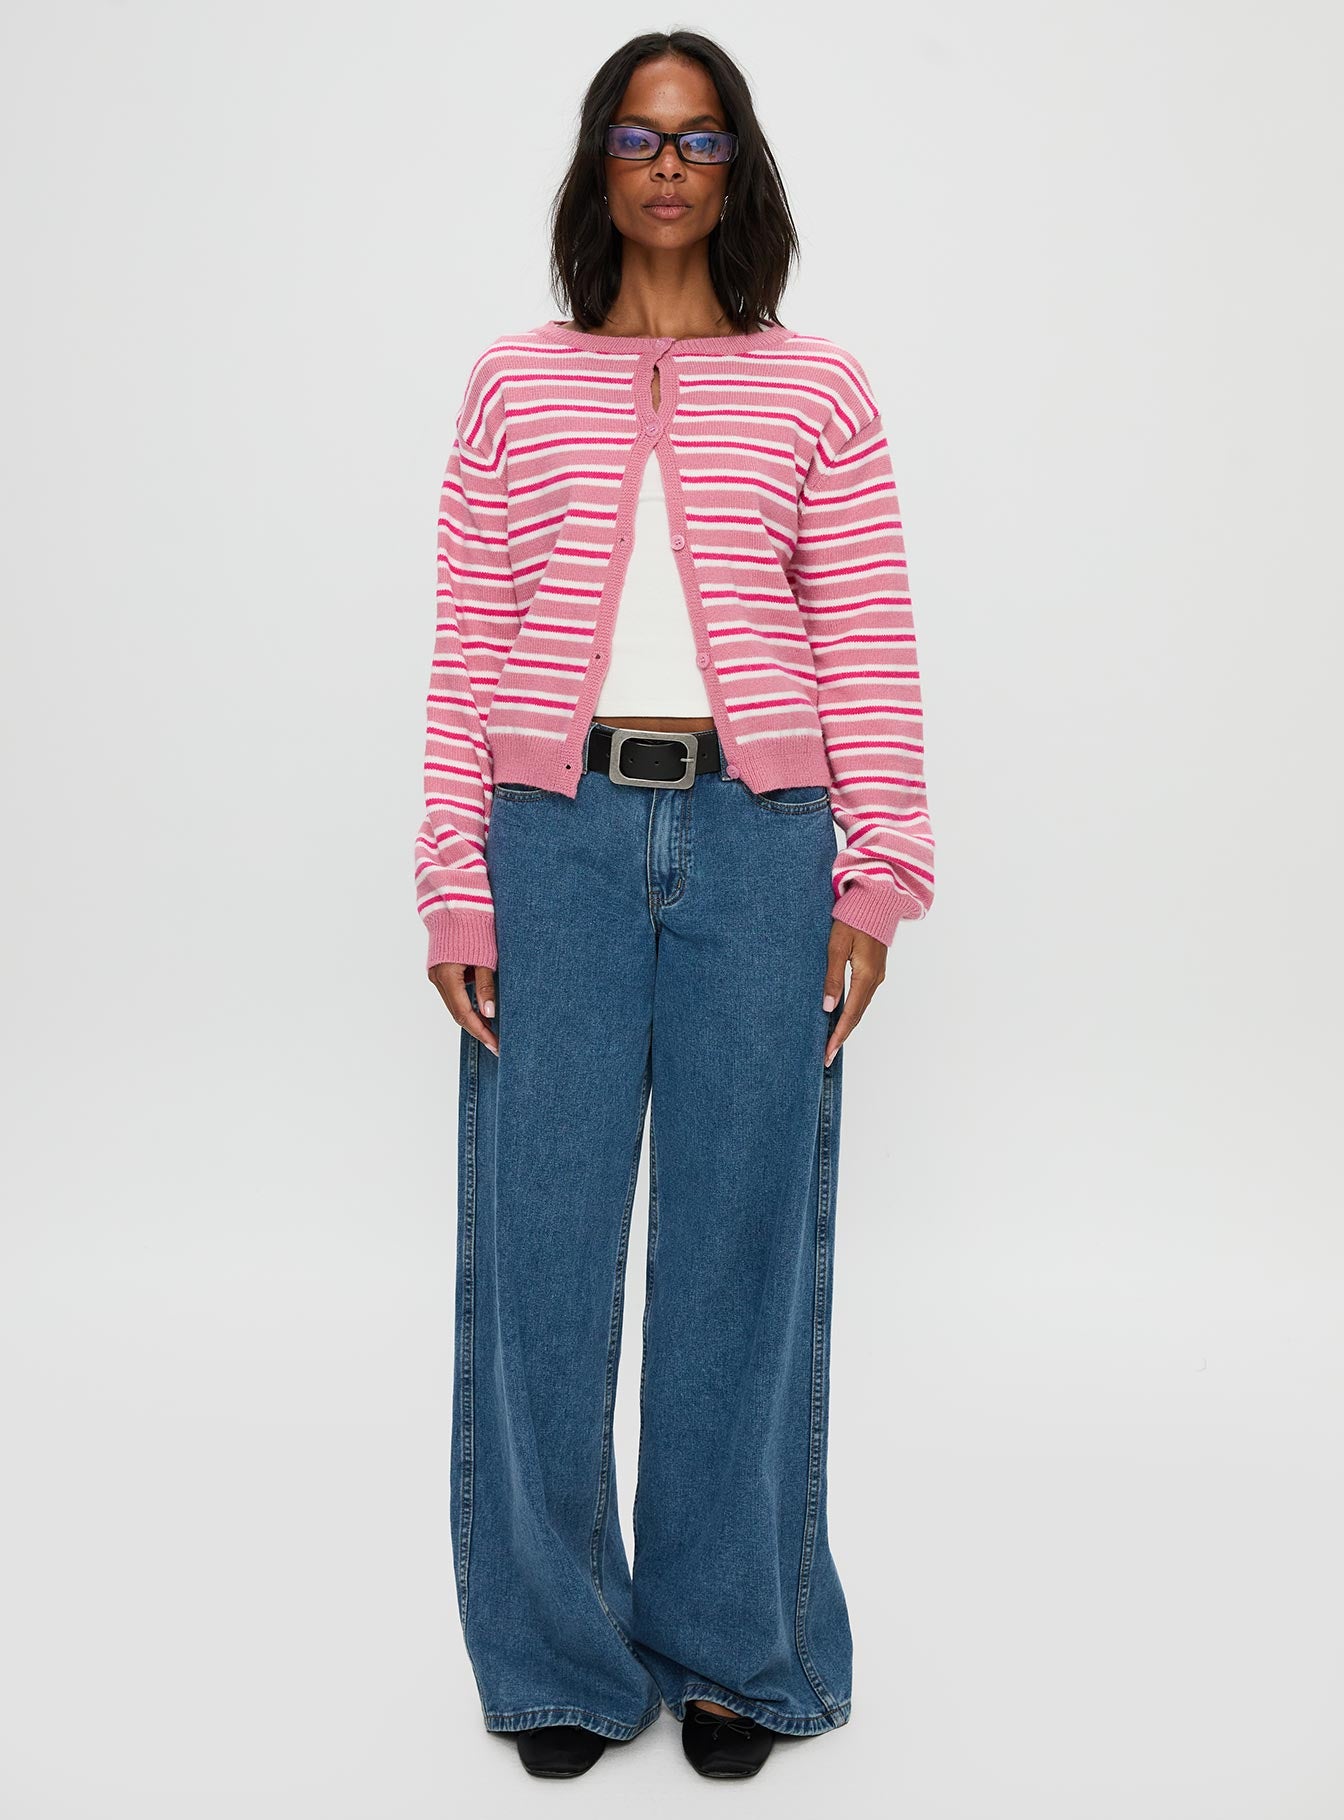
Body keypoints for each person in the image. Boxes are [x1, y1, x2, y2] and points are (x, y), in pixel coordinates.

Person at [413, 28, 935, 1783]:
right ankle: (560, 1663)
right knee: (542, 1258)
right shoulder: (511, 383)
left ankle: (730, 1650)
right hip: (550, 842)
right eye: (639, 137)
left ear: (736, 171)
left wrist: (878, 872)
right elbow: (468, 647)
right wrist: (454, 883)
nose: (666, 167)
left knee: (738, 1255)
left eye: (699, 141)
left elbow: (865, 637)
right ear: (599, 164)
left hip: (761, 845)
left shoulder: (819, 389)